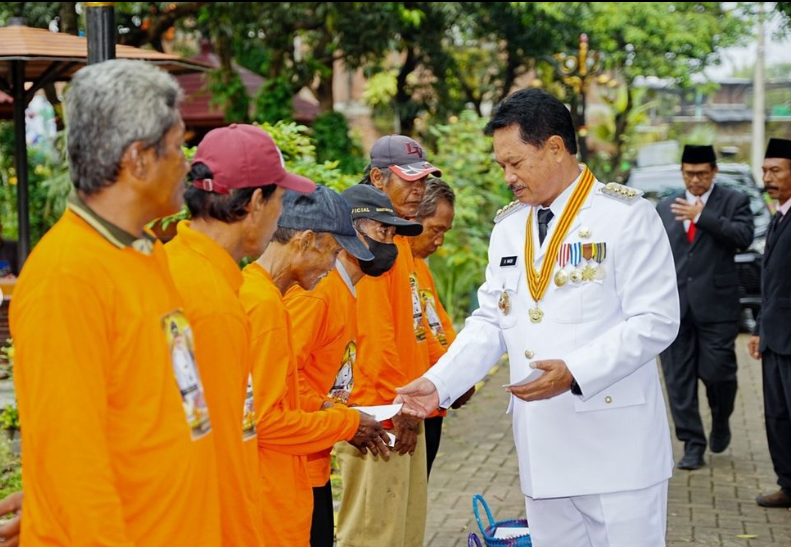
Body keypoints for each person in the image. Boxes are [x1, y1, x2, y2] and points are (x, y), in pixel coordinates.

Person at [396, 88, 680, 547]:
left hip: (615, 446)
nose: (508, 176)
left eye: (516, 163)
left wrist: (575, 371)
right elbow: (491, 321)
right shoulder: (510, 227)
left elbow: (657, 320)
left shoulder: (625, 217)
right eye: (501, 166)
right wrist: (439, 383)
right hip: (543, 447)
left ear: (554, 147)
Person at [10, 60, 220, 546]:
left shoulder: (143, 252)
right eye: (177, 146)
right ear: (138, 159)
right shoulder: (67, 278)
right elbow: (73, 467)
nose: (186, 162)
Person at [165, 123, 317, 545]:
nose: (280, 216)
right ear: (254, 202)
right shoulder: (212, 302)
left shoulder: (172, 265)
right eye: (280, 201)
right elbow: (214, 441)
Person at [240, 185, 390, 546]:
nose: (331, 267)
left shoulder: (257, 293)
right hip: (267, 495)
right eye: (333, 252)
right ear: (307, 241)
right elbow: (265, 421)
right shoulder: (264, 307)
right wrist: (345, 421)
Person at [285, 184, 423, 547]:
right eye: (382, 231)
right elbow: (282, 378)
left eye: (393, 234)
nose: (390, 244)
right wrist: (338, 415)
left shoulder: (347, 290)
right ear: (350, 234)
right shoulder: (318, 293)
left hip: (316, 452)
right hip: (294, 459)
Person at [336, 135, 440, 547]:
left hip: (401, 408)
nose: (419, 190)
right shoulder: (371, 243)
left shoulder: (400, 240)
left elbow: (414, 325)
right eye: (409, 180)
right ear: (377, 177)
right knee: (373, 534)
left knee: (402, 532)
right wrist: (399, 412)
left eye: (423, 181)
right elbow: (375, 340)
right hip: (379, 415)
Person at [656, 144, 754, 470]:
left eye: (701, 174)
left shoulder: (734, 201)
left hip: (717, 307)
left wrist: (703, 216)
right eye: (688, 174)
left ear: (713, 172)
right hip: (674, 308)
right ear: (682, 172)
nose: (695, 180)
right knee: (678, 380)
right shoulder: (665, 206)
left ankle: (722, 418)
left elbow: (743, 236)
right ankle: (692, 444)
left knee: (718, 374)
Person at [409, 178, 474, 477]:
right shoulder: (388, 268)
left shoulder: (419, 266)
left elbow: (439, 327)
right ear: (412, 218)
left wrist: (458, 374)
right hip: (412, 401)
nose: (439, 242)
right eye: (435, 230)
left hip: (435, 400)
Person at [749, 137, 791, 508]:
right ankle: (789, 485)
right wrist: (761, 327)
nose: (767, 177)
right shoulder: (778, 215)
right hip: (776, 337)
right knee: (778, 417)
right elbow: (773, 283)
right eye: (764, 170)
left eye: (776, 170)